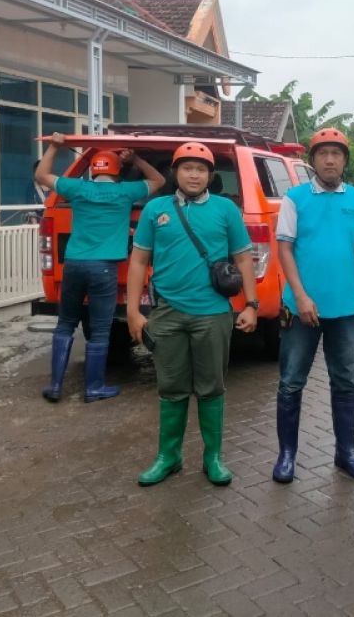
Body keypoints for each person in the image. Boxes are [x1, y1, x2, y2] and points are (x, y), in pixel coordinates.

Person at [126, 142, 258, 487]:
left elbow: (244, 258)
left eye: (201, 169)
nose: (194, 174)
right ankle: (168, 457)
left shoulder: (226, 210)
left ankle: (212, 457)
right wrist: (133, 311)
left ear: (210, 176)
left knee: (212, 387)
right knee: (171, 387)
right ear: (175, 172)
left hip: (213, 313)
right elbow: (139, 260)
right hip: (166, 313)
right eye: (187, 168)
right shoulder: (156, 210)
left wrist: (251, 304)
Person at [272, 127, 354, 483]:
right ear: (313, 160)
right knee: (291, 382)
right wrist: (301, 295)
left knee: (345, 381)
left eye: (337, 154)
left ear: (345, 161)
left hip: (346, 310)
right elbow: (284, 248)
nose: (330, 160)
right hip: (301, 307)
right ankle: (287, 455)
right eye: (323, 154)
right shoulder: (295, 198)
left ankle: (346, 452)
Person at [35, 133, 164, 403]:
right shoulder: (124, 192)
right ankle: (93, 387)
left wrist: (54, 147)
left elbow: (42, 175)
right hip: (104, 269)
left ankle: (56, 386)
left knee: (66, 324)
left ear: (92, 170)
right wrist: (137, 159)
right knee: (101, 328)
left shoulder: (77, 189)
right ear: (117, 172)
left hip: (72, 266)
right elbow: (159, 181)